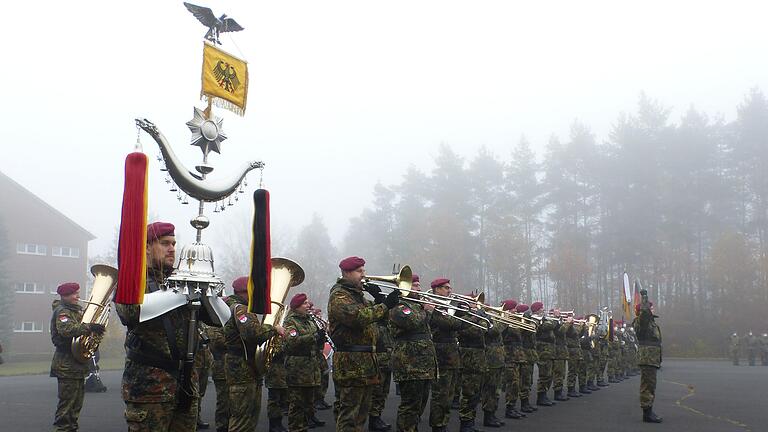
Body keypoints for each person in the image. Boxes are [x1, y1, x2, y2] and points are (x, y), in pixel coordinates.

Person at [117, 222, 205, 431]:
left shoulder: (181, 280)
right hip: (149, 387)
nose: (172, 248)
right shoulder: (133, 279)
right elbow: (131, 313)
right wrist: (181, 295)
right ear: (147, 247)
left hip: (185, 383)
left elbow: (217, 320)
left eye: (174, 243)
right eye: (165, 243)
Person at [328, 256, 399, 432]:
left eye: (363, 270)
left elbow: (379, 316)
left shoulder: (358, 296)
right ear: (346, 273)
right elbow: (358, 318)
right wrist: (384, 305)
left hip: (366, 362)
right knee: (349, 416)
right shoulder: (339, 295)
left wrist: (379, 298)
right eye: (359, 271)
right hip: (351, 363)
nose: (363, 275)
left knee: (361, 414)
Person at [224, 275, 286, 432]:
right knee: (243, 418)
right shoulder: (241, 309)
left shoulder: (232, 307)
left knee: (246, 416)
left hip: (243, 368)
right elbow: (253, 334)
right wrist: (274, 329)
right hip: (243, 370)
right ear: (246, 291)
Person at [51, 282, 105, 431]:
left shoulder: (75, 311)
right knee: (66, 408)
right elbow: (66, 330)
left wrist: (94, 336)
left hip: (77, 366)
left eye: (78, 293)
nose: (78, 296)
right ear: (65, 296)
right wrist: (89, 327)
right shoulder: (63, 312)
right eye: (74, 294)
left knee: (75, 407)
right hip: (66, 366)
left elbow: (82, 336)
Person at [389, 273, 437, 432]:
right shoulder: (399, 305)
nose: (420, 288)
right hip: (410, 363)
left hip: (423, 364)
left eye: (418, 285)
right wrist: (428, 311)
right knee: (410, 405)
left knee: (420, 403)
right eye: (415, 285)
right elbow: (412, 322)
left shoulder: (417, 305)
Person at [283, 293, 326, 432]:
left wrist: (321, 339)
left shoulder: (309, 320)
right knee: (297, 405)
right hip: (298, 369)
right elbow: (292, 341)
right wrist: (314, 337)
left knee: (308, 402)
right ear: (297, 307)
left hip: (311, 368)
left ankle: (305, 426)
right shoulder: (290, 321)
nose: (308, 306)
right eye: (305, 303)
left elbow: (314, 341)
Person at [428, 278, 466, 432]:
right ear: (436, 289)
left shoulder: (448, 306)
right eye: (445, 288)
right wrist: (462, 315)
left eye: (450, 288)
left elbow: (456, 325)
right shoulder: (433, 305)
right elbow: (451, 324)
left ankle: (443, 423)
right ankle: (437, 426)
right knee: (440, 395)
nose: (449, 291)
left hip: (452, 354)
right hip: (441, 354)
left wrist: (462, 311)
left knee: (449, 394)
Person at [457, 293, 490, 432]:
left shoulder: (472, 317)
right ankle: (465, 423)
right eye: (472, 302)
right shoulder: (462, 316)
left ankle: (470, 422)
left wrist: (482, 318)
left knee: (476, 392)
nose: (476, 305)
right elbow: (478, 331)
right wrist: (482, 318)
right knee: (469, 392)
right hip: (469, 358)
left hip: (479, 357)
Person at [632, 290, 662, 423]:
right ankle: (647, 413)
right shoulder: (641, 322)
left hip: (652, 359)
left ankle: (649, 410)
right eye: (651, 307)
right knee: (647, 386)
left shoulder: (650, 323)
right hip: (647, 358)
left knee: (651, 385)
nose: (652, 308)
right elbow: (644, 314)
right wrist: (644, 298)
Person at [499, 300, 526, 420]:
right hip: (508, 356)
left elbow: (525, 334)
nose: (516, 310)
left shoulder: (515, 321)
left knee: (517, 383)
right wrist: (507, 319)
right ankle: (509, 408)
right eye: (513, 308)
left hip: (517, 357)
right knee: (512, 383)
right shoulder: (504, 322)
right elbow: (501, 333)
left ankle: (513, 407)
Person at [480, 302, 505, 428]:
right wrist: (503, 320)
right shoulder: (483, 319)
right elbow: (493, 332)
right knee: (490, 389)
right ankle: (488, 416)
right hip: (490, 359)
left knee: (496, 390)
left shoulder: (490, 319)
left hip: (498, 359)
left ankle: (492, 414)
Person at [207, 310, 230, 432]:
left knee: (232, 401)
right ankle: (221, 426)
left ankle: (229, 425)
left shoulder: (228, 323)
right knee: (223, 401)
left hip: (231, 368)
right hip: (220, 367)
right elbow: (217, 341)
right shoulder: (214, 324)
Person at [369, 318, 394, 432]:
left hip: (388, 362)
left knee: (384, 392)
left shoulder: (388, 325)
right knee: (377, 393)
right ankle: (373, 419)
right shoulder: (375, 326)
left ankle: (377, 416)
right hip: (379, 363)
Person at [531, 302, 555, 407]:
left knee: (549, 374)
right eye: (541, 308)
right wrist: (551, 319)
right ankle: (541, 396)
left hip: (548, 350)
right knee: (544, 373)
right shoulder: (536, 319)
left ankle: (544, 394)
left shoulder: (543, 319)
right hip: (542, 349)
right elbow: (548, 327)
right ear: (537, 310)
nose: (543, 309)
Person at [516, 304, 538, 414]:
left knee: (528, 380)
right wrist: (526, 320)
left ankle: (526, 402)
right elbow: (521, 333)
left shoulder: (528, 322)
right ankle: (523, 403)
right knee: (524, 380)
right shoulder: (518, 323)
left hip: (529, 354)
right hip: (523, 354)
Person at [551, 310, 569, 401]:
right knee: (558, 373)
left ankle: (560, 392)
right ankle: (557, 393)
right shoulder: (553, 322)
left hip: (562, 351)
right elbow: (560, 332)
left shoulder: (558, 322)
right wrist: (567, 323)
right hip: (557, 351)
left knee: (562, 373)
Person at [565, 316, 583, 398]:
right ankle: (570, 389)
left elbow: (578, 335)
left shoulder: (573, 327)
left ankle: (572, 388)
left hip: (576, 351)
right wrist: (580, 326)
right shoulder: (571, 327)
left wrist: (583, 328)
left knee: (575, 371)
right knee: (572, 371)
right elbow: (575, 333)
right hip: (572, 351)